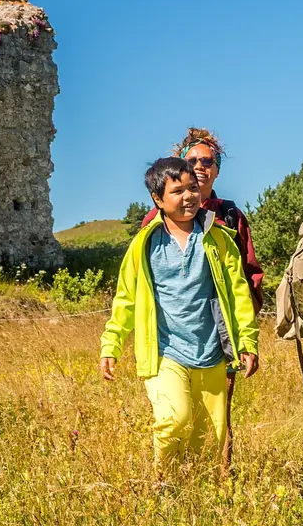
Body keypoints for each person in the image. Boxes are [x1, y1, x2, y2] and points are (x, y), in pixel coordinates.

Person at [100, 157, 260, 470]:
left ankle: (192, 491)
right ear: (157, 199)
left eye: (192, 188)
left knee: (207, 441)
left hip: (211, 354)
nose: (188, 196)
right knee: (174, 419)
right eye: (177, 191)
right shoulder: (144, 244)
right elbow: (126, 298)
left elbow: (239, 293)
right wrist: (111, 344)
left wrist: (248, 342)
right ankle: (162, 482)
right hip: (165, 354)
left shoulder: (218, 239)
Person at [137, 128, 265, 309]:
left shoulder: (230, 215)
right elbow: (139, 275)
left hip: (223, 322)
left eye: (207, 161)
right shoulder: (156, 218)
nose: (199, 166)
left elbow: (250, 273)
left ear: (217, 170)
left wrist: (246, 315)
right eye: (191, 161)